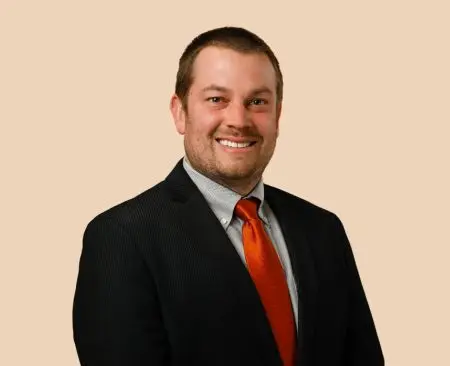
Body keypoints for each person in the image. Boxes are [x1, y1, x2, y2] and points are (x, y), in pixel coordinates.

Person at [72, 26, 384, 366]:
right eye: (217, 99)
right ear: (180, 112)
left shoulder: (323, 230)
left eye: (257, 102)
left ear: (278, 115)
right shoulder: (122, 237)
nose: (238, 120)